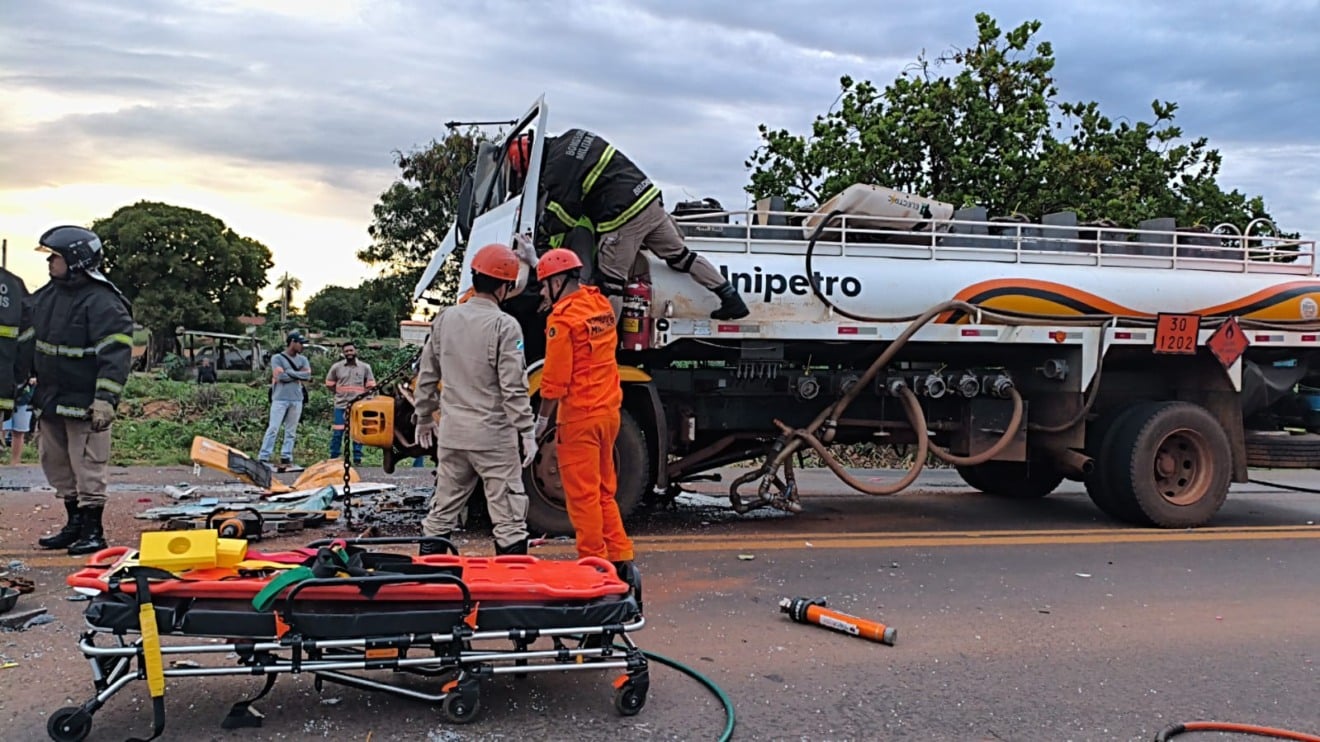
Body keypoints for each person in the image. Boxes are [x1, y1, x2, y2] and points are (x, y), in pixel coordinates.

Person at [509, 129, 749, 321]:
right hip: (649, 201)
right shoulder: (572, 137)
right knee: (681, 257)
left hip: (623, 216)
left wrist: (539, 238)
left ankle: (604, 346)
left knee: (610, 284)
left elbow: (565, 216)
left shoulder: (556, 170)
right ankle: (730, 298)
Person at [412, 243, 537, 556]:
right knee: (508, 518)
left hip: (453, 436)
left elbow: (427, 374)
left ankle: (432, 581)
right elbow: (513, 388)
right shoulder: (505, 326)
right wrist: (527, 431)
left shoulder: (445, 319)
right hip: (494, 439)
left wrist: (425, 416)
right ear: (506, 288)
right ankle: (511, 588)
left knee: (441, 511)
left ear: (474, 277)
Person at [533, 248, 638, 590]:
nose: (543, 295)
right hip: (609, 414)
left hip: (579, 418)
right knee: (605, 492)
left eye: (545, 287)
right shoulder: (600, 306)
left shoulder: (562, 320)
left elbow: (554, 382)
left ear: (558, 282)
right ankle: (620, 556)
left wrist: (540, 423)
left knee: (582, 497)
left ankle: (593, 564)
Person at [29, 226, 133, 556]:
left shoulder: (103, 301)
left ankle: (93, 531)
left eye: (55, 257)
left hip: (85, 404)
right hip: (50, 400)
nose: (50, 263)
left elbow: (116, 354)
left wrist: (105, 399)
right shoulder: (48, 295)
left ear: (76, 259)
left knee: (88, 467)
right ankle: (74, 525)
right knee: (56, 465)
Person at [259, 331, 312, 471]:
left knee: (291, 431)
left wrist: (289, 373)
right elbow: (280, 376)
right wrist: (296, 375)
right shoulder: (277, 358)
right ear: (292, 342)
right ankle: (264, 456)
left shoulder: (303, 359)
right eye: (300, 343)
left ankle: (286, 456)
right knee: (273, 428)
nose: (302, 346)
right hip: (280, 398)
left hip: (297, 399)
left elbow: (307, 375)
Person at [325, 341, 375, 465]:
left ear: (355, 351)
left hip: (358, 406)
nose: (349, 353)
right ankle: (334, 458)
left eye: (351, 350)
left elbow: (370, 385)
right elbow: (329, 383)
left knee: (357, 432)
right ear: (343, 353)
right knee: (338, 432)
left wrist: (365, 399)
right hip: (341, 405)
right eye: (346, 351)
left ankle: (357, 459)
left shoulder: (365, 367)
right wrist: (339, 394)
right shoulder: (337, 367)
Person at [4, 378, 35, 466]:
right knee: (2, 430)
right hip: (5, 393)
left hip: (24, 397)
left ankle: (15, 462)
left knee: (19, 432)